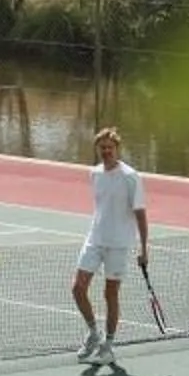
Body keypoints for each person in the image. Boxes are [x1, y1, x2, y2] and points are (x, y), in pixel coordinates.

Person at [73, 124, 148, 362]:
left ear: (117, 149)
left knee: (110, 294)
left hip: (118, 244)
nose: (106, 151)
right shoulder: (94, 174)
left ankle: (109, 344)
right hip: (94, 240)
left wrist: (144, 248)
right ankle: (94, 333)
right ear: (97, 149)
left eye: (110, 147)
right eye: (102, 148)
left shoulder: (130, 177)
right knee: (77, 288)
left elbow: (140, 214)